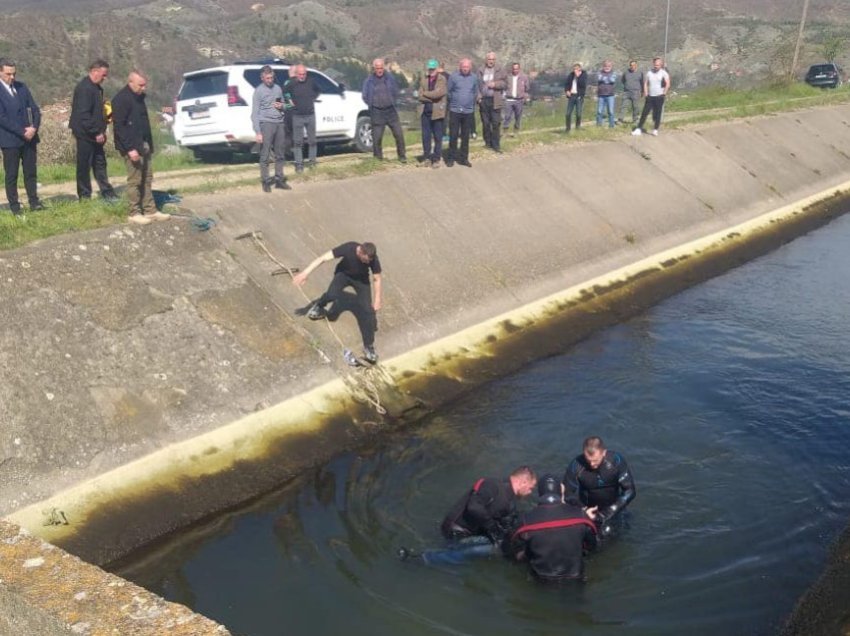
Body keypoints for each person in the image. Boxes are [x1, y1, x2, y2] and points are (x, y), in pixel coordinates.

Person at [293, 241, 382, 363]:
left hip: (361, 281)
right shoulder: (348, 248)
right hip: (343, 275)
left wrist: (377, 299)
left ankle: (369, 347)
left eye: (369, 261)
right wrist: (305, 273)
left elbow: (377, 278)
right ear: (360, 251)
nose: (367, 263)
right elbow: (323, 258)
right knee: (331, 295)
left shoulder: (372, 258)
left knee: (368, 312)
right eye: (365, 260)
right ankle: (319, 306)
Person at [507, 474, 599, 582]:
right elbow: (592, 546)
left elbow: (514, 550)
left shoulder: (525, 520)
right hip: (575, 578)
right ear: (560, 493)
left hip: (541, 581)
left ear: (540, 493)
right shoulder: (581, 515)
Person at [112, 70, 170, 225]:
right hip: (131, 147)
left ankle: (150, 210)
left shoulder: (139, 98)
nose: (144, 88)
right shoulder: (121, 99)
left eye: (145, 85)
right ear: (130, 82)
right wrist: (130, 149)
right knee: (135, 180)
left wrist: (149, 145)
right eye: (140, 85)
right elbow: (119, 128)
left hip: (143, 145)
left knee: (147, 178)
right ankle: (134, 212)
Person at [441, 466, 537, 542]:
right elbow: (474, 507)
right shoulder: (492, 485)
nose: (530, 492)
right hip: (456, 530)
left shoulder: (510, 500)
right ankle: (432, 557)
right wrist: (492, 526)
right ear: (523, 482)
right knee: (495, 549)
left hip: (473, 531)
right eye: (530, 488)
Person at [563, 436, 636, 536]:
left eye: (596, 460)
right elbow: (567, 494)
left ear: (604, 453)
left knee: (621, 537)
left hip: (615, 509)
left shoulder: (616, 461)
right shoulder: (576, 465)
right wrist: (583, 510)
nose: (592, 464)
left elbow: (630, 491)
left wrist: (609, 512)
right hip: (589, 511)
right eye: (588, 460)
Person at [70, 59, 118, 202]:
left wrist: (102, 130)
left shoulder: (96, 88)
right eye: (103, 75)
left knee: (100, 163)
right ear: (94, 71)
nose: (105, 78)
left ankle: (107, 192)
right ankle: (84, 196)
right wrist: (96, 132)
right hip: (85, 134)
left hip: (96, 133)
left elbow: (98, 112)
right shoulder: (84, 88)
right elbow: (84, 115)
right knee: (84, 165)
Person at [0, 58, 42, 215]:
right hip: (10, 140)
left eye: (14, 74)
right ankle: (15, 207)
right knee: (12, 174)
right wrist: (22, 131)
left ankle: (34, 202)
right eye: (8, 74)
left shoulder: (22, 87)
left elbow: (35, 109)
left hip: (29, 139)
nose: (12, 77)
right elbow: (2, 119)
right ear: (0, 73)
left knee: (31, 172)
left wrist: (34, 128)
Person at [251, 65, 290, 193]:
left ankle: (279, 179)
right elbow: (254, 113)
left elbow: (284, 105)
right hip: (266, 123)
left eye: (271, 77)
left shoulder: (277, 88)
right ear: (262, 78)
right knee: (265, 154)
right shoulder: (258, 91)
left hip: (279, 122)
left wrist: (282, 106)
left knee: (280, 153)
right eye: (267, 78)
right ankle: (265, 181)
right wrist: (258, 132)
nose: (270, 80)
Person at [362, 58, 406, 163]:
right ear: (374, 68)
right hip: (377, 112)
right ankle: (378, 158)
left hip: (391, 110)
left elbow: (396, 91)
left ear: (384, 67)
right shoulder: (369, 81)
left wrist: (393, 101)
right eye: (377, 68)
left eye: (381, 68)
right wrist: (372, 104)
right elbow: (364, 96)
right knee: (377, 138)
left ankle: (402, 156)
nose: (379, 70)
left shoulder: (390, 78)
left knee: (399, 134)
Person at [283, 64, 320, 173]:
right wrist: (290, 102)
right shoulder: (292, 83)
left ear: (306, 73)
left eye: (304, 74)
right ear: (296, 74)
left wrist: (311, 98)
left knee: (312, 140)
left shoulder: (311, 81)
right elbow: (285, 92)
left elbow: (318, 90)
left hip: (310, 115)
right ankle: (299, 164)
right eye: (300, 74)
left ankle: (312, 162)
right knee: (298, 142)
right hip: (297, 116)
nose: (302, 76)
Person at [446, 58, 478, 168]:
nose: (465, 69)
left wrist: (469, 102)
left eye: (467, 67)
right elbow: (448, 92)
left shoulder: (474, 77)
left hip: (468, 111)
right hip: (455, 111)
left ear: (470, 67)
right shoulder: (453, 77)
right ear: (460, 67)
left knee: (465, 136)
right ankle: (450, 158)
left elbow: (475, 92)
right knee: (453, 135)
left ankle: (464, 158)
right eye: (463, 67)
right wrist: (456, 101)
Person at [417, 59, 447, 168]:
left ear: (437, 69)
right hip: (425, 112)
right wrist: (430, 97)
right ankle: (427, 157)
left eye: (433, 69)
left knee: (438, 136)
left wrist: (425, 94)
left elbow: (439, 94)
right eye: (430, 69)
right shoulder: (424, 80)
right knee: (426, 136)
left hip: (437, 112)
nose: (431, 71)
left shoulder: (442, 79)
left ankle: (436, 158)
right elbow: (419, 96)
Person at [477, 52, 507, 153]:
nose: (491, 61)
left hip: (495, 99)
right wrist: (478, 97)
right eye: (489, 59)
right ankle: (488, 143)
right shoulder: (480, 70)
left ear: (495, 60)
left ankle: (496, 145)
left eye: (493, 59)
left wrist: (495, 84)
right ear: (486, 60)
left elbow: (505, 83)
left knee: (495, 123)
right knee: (485, 123)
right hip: (484, 100)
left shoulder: (500, 70)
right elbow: (476, 84)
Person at [632, 57, 671, 137]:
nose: (656, 66)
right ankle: (639, 128)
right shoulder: (649, 73)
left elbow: (668, 84)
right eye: (655, 65)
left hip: (659, 96)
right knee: (644, 113)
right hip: (650, 96)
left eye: (658, 65)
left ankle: (655, 129)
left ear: (661, 65)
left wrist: (664, 93)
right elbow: (645, 83)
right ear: (653, 64)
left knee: (657, 113)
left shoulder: (664, 73)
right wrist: (646, 93)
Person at [502, 62, 531, 135]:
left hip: (519, 100)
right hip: (509, 99)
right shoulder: (508, 77)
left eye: (517, 69)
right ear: (512, 69)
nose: (515, 70)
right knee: (507, 116)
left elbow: (527, 88)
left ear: (519, 69)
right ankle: (505, 131)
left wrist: (525, 96)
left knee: (518, 116)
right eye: (514, 69)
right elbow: (503, 86)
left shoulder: (524, 77)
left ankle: (516, 131)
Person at [564, 63, 587, 132]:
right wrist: (567, 91)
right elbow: (566, 84)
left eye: (577, 69)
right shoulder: (571, 75)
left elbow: (583, 85)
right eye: (574, 69)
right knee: (568, 113)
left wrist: (578, 77)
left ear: (580, 69)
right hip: (572, 96)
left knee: (578, 113)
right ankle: (568, 129)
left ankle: (578, 127)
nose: (575, 70)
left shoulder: (584, 75)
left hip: (579, 96)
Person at [619, 60, 643, 125]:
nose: (632, 66)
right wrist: (627, 86)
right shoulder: (626, 72)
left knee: (635, 107)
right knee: (624, 106)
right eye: (631, 65)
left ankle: (635, 120)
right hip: (626, 92)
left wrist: (642, 91)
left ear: (636, 66)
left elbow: (642, 83)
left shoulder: (640, 73)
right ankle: (620, 120)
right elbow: (623, 80)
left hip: (636, 92)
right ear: (630, 66)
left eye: (634, 65)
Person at [595, 60, 617, 128]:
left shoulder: (614, 73)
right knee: (599, 111)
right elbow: (599, 79)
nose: (607, 67)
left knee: (610, 111)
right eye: (605, 66)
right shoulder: (599, 73)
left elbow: (612, 80)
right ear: (603, 66)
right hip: (601, 95)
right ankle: (599, 125)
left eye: (609, 66)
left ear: (611, 66)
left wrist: (604, 78)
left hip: (610, 95)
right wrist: (607, 79)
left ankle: (611, 126)